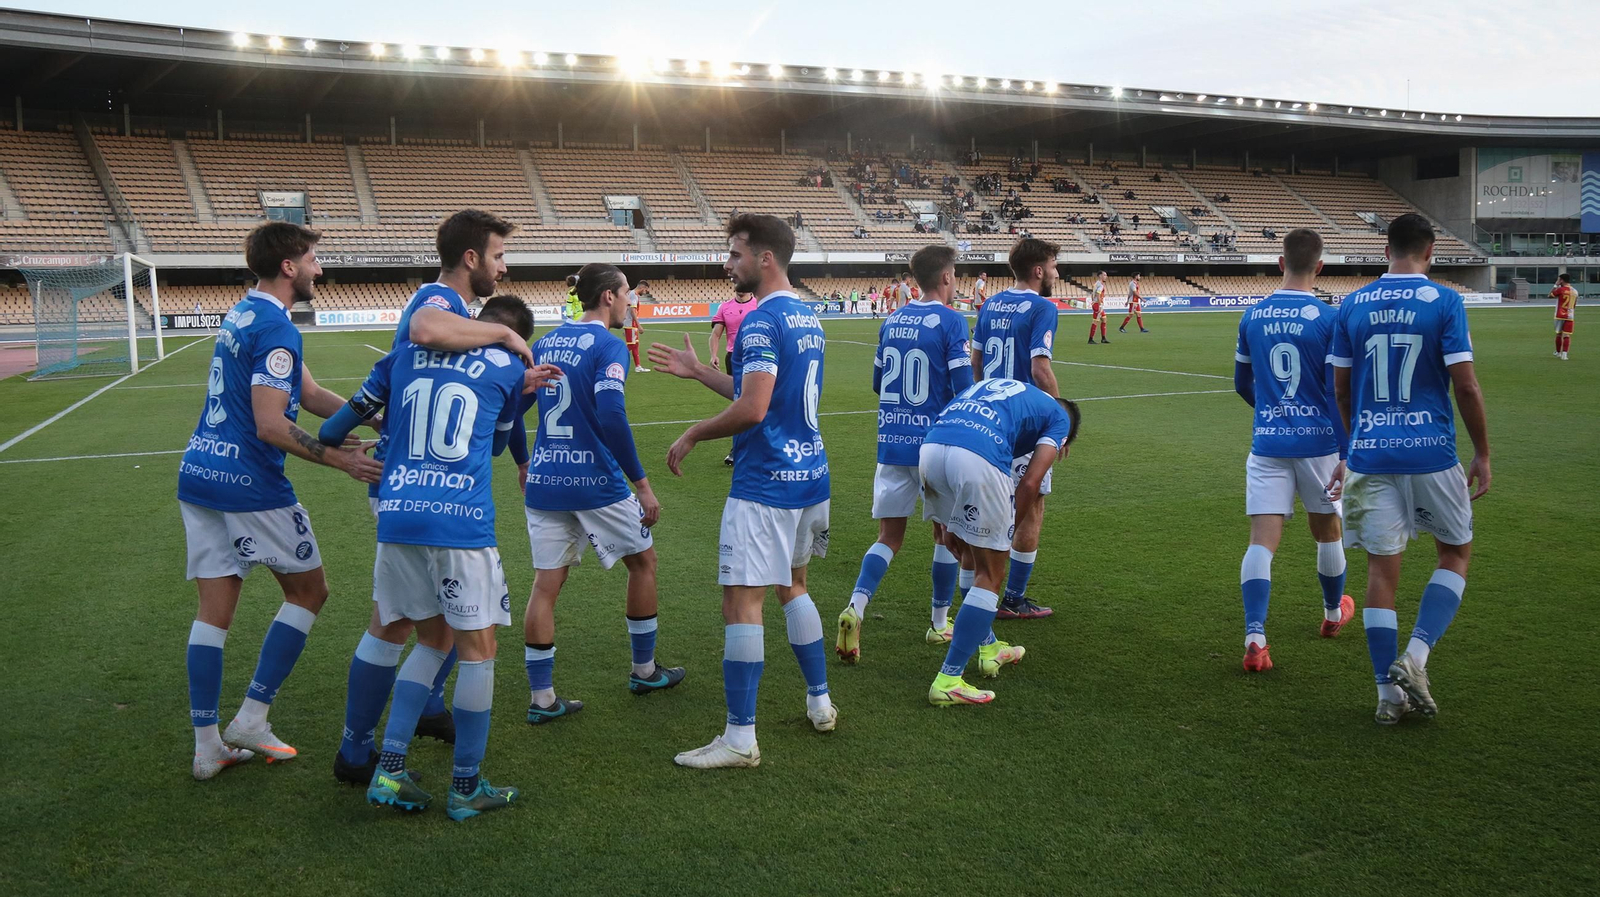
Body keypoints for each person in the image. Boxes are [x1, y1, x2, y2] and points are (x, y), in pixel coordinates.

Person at [333, 209, 541, 787]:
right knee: (403, 626)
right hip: (425, 488)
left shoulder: (456, 316)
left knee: (423, 627)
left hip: (409, 484)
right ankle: (364, 747)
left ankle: (385, 736)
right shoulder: (438, 302)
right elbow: (424, 333)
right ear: (472, 258)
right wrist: (503, 333)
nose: (504, 267)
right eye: (499, 255)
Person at [177, 222, 384, 780]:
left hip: (199, 473)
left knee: (213, 612)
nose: (321, 268)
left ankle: (206, 747)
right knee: (309, 590)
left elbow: (310, 394)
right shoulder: (275, 327)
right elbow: (271, 425)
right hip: (248, 481)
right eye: (314, 259)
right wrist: (339, 458)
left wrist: (379, 419)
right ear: (290, 266)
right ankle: (251, 716)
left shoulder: (244, 312)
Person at [649, 214, 837, 769]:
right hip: (810, 474)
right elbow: (760, 390)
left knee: (742, 601)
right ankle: (820, 702)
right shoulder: (806, 314)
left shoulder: (757, 322)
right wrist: (698, 373)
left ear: (765, 259)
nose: (728, 265)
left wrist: (692, 433)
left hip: (765, 483)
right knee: (794, 585)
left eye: (735, 254)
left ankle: (739, 738)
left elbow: (754, 408)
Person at [1327, 213, 1491, 725]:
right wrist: (1482, 452)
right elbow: (1464, 385)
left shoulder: (1351, 304)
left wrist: (1355, 444)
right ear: (1431, 249)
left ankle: (1387, 697)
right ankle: (1416, 658)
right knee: (1455, 552)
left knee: (1381, 568)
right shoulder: (1445, 301)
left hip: (1370, 454)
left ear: (1386, 249)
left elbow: (1340, 390)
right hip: (1431, 452)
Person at [520, 264, 684, 724]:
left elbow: (513, 406)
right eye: (627, 293)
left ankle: (543, 698)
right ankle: (644, 670)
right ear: (609, 296)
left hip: (546, 481)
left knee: (545, 585)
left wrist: (521, 462)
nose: (630, 300)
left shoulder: (546, 342)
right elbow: (611, 413)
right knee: (643, 562)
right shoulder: (609, 345)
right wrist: (643, 485)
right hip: (595, 481)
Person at [836, 245, 975, 664]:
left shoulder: (892, 319)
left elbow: (879, 383)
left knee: (888, 537)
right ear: (948, 277)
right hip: (934, 446)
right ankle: (938, 623)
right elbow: (964, 387)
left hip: (891, 442)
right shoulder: (953, 321)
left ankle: (855, 607)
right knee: (948, 537)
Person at [1231, 229, 1353, 673]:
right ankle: (1332, 614)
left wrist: (1269, 411)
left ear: (1279, 263)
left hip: (1268, 443)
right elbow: (1339, 389)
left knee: (1262, 543)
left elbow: (1243, 384)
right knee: (1327, 532)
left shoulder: (1253, 315)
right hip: (1319, 443)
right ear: (1319, 267)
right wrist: (1345, 449)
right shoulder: (1329, 318)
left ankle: (1255, 636)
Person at [922, 379, 1080, 705]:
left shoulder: (1016, 392)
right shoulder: (1059, 418)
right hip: (975, 456)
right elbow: (1031, 481)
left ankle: (990, 647)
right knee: (991, 574)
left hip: (931, 449)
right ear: (1065, 443)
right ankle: (949, 679)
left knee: (969, 554)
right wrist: (1007, 531)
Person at [971, 237, 1061, 620]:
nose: (1057, 273)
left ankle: (977, 588)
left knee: (986, 505)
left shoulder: (991, 303)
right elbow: (1040, 368)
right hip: (1024, 421)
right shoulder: (1043, 306)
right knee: (1030, 507)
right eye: (1054, 266)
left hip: (987, 416)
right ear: (1038, 270)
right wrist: (1058, 417)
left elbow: (976, 360)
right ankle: (1011, 597)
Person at [710, 290, 760, 465]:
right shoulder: (725, 307)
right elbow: (716, 334)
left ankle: (761, 446)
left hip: (757, 355)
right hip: (734, 358)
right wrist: (713, 354)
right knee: (740, 403)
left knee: (760, 402)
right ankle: (737, 448)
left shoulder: (759, 304)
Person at [1550, 272, 1577, 359]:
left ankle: (1558, 352)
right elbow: (1574, 305)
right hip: (1570, 315)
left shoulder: (1560, 290)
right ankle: (1564, 355)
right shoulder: (1575, 291)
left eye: (1558, 280)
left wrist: (1555, 285)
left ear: (1561, 280)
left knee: (1559, 334)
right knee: (1567, 335)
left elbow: (1550, 295)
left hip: (1559, 315)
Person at [624, 281, 647, 372]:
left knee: (635, 345)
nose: (645, 292)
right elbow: (632, 310)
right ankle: (613, 358)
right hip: (631, 325)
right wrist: (638, 325)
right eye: (645, 290)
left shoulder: (632, 294)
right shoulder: (633, 295)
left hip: (630, 324)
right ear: (642, 288)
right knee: (631, 345)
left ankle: (638, 366)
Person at [1088, 269, 1110, 344]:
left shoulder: (1096, 284)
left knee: (1104, 319)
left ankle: (1103, 338)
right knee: (1095, 321)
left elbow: (1092, 294)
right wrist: (1099, 304)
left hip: (1096, 304)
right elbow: (1098, 294)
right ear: (1100, 276)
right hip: (1098, 305)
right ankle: (1090, 339)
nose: (1106, 277)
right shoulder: (1100, 284)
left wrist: (1093, 301)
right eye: (1104, 275)